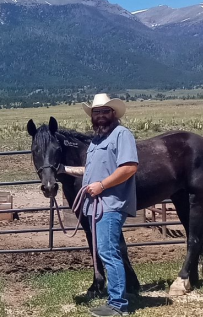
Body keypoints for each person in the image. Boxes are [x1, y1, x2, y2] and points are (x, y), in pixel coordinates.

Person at [59, 93, 138, 316]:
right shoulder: (96, 141)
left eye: (105, 111)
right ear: (92, 116)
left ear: (113, 113)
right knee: (107, 251)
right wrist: (65, 170)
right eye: (97, 112)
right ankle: (117, 299)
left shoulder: (122, 135)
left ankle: (118, 304)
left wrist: (101, 186)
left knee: (108, 252)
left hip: (110, 204)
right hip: (95, 206)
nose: (100, 116)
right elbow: (91, 171)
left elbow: (129, 167)